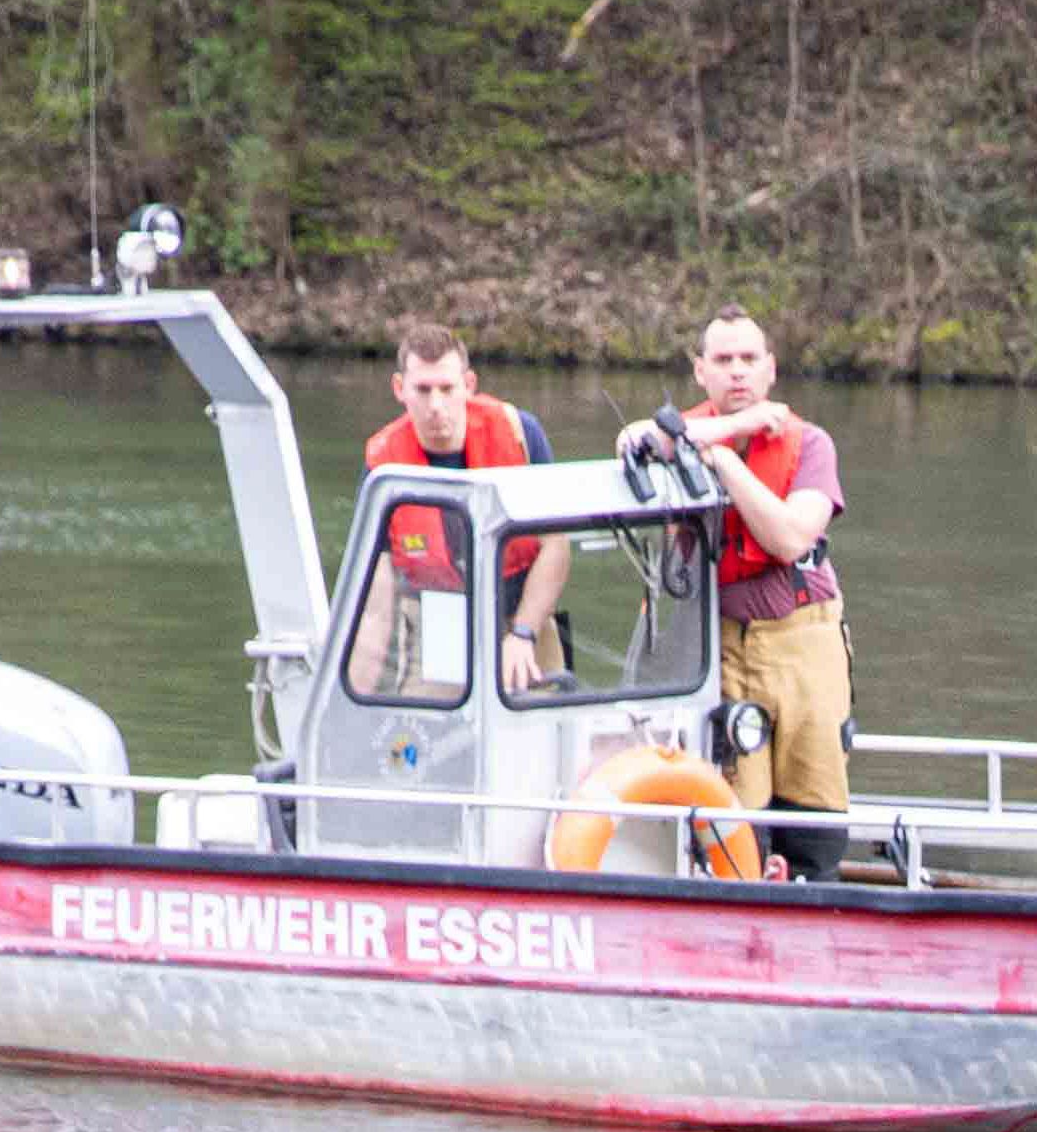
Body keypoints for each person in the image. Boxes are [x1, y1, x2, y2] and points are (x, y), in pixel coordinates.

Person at [623, 310, 851, 880]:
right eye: (723, 361)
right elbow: (627, 442)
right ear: (700, 372)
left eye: (749, 359)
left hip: (803, 634)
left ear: (770, 370)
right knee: (735, 801)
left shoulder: (812, 445)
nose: (737, 372)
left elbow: (788, 538)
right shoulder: (670, 443)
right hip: (720, 643)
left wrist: (721, 460)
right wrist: (714, 434)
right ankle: (745, 888)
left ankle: (814, 890)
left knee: (814, 785)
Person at [357, 323, 567, 696]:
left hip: (523, 611)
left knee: (544, 727)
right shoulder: (383, 467)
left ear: (468, 385)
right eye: (422, 390)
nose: (435, 406)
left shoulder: (521, 433)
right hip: (437, 619)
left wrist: (523, 632)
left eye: (446, 389)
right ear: (399, 389)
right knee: (424, 738)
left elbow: (556, 545)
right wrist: (349, 703)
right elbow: (376, 605)